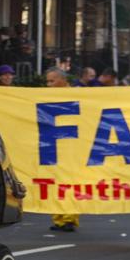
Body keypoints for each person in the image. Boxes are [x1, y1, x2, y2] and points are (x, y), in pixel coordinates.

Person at [45, 68, 80, 232]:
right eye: (47, 81)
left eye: (52, 81)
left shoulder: (75, 95)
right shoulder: (46, 97)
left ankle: (69, 218)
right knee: (55, 183)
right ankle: (58, 219)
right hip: (53, 145)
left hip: (71, 145)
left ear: (62, 80)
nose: (49, 85)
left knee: (69, 182)